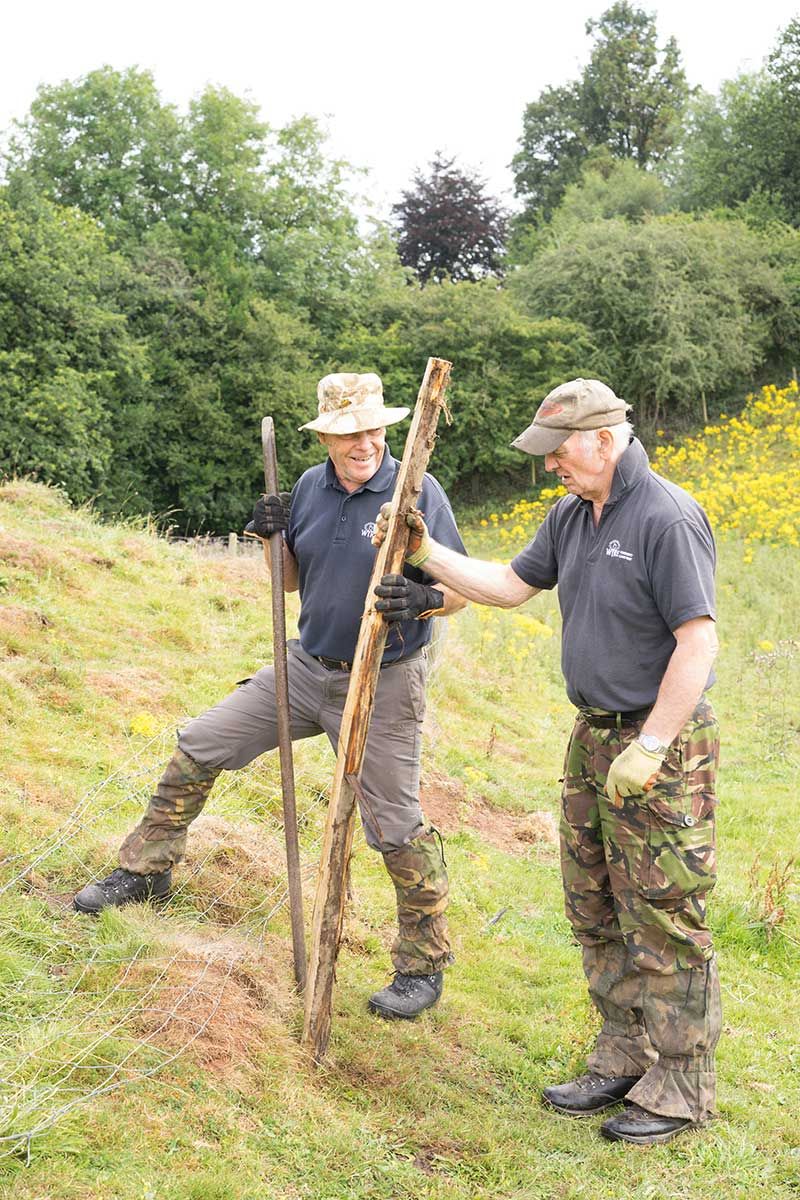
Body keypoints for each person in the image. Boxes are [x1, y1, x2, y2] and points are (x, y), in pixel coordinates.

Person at [374, 378, 721, 1144]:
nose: (549, 467)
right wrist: (427, 553)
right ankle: (624, 1052)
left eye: (558, 451)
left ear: (605, 438)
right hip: (593, 736)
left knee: (662, 913)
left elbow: (699, 641)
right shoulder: (572, 514)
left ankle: (681, 1082)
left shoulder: (666, 516)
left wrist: (654, 743)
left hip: (660, 741)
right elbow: (507, 586)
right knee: (595, 903)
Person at [74, 372, 468, 1020]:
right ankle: (147, 870)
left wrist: (425, 599)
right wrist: (270, 539)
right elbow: (288, 583)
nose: (363, 442)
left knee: (395, 823)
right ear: (326, 437)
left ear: (387, 428)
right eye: (348, 433)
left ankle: (423, 966)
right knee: (200, 744)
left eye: (372, 429)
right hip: (303, 667)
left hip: (383, 677)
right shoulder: (311, 488)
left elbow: (458, 587)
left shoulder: (417, 491)